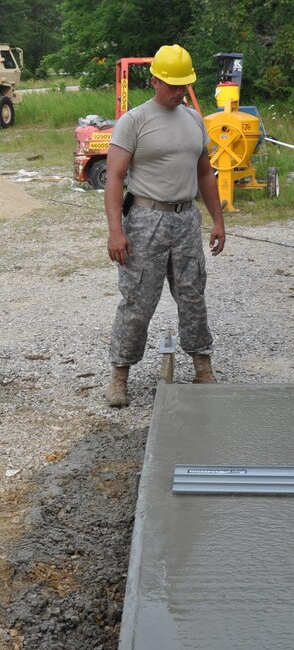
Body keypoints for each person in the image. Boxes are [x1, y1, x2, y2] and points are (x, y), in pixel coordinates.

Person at [104, 44, 226, 407]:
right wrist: (116, 231)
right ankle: (119, 377)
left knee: (192, 296)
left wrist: (217, 220)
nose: (179, 91)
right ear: (154, 80)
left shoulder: (193, 119)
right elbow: (114, 178)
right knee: (138, 300)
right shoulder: (134, 121)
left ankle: (202, 368)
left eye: (184, 85)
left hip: (186, 219)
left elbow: (205, 173)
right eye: (173, 85)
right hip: (145, 219)